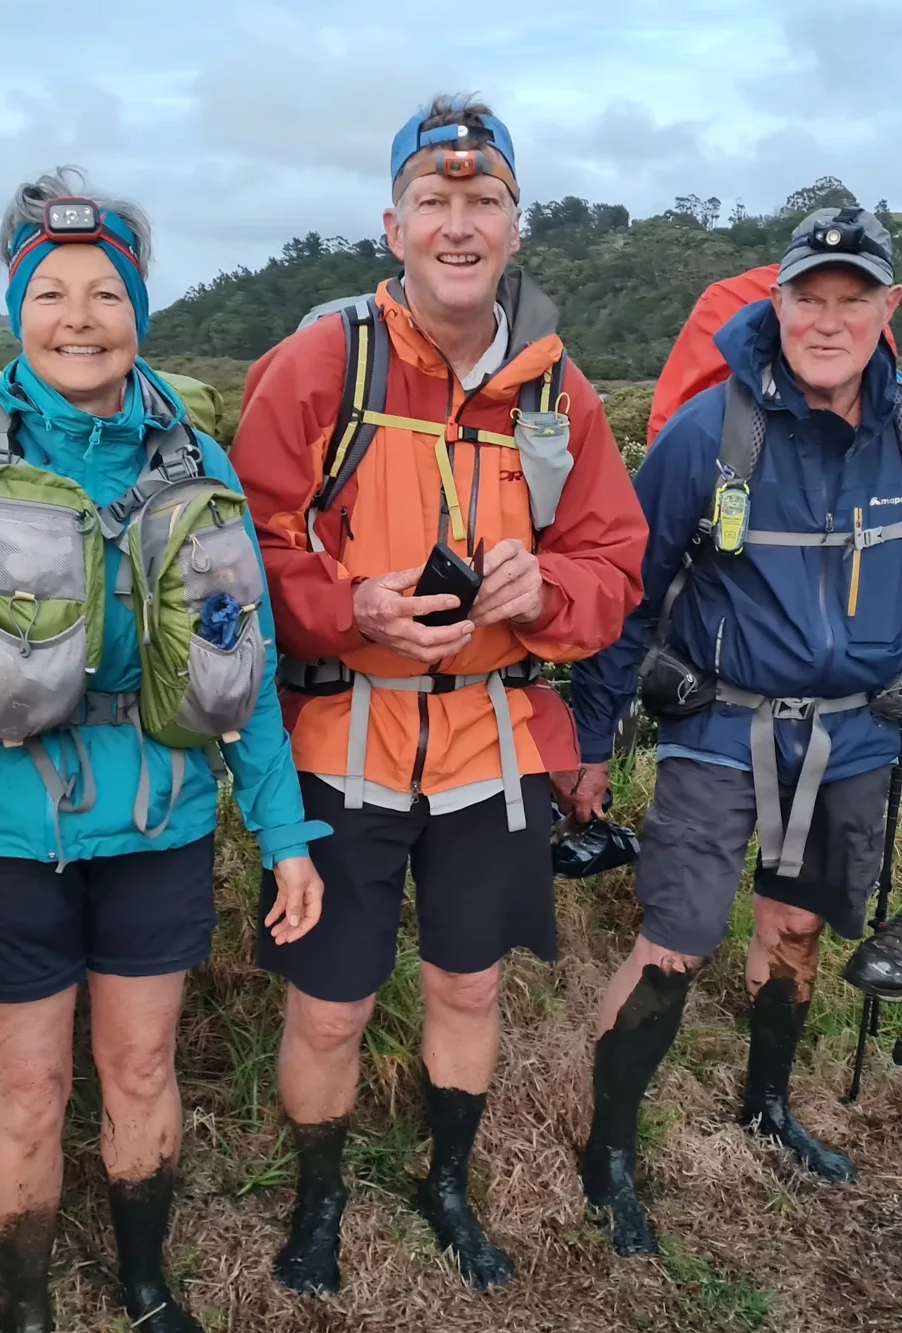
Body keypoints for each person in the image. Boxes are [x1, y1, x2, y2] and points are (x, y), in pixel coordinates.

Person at [0, 167, 330, 1333]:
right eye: (49, 292)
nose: (77, 317)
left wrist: (286, 832)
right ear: (15, 308)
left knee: (143, 1069)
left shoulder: (199, 468)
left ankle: (146, 1289)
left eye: (103, 293)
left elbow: (236, 666)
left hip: (161, 822)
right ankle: (23, 1309)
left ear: (138, 309)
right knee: (27, 1089)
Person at [231, 95, 646, 1295]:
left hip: (494, 740)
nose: (457, 224)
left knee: (468, 984)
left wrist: (542, 590)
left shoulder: (556, 393)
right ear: (392, 225)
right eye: (434, 202)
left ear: (516, 226)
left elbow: (613, 568)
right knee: (328, 1005)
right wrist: (344, 607)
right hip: (339, 739)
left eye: (482, 203)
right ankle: (318, 1203)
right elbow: (239, 558)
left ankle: (445, 1183)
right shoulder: (319, 368)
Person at [563, 207, 902, 1253]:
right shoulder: (704, 434)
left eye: (854, 299)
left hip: (854, 739)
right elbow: (630, 589)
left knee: (796, 930)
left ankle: (766, 1105)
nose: (828, 318)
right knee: (672, 942)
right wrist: (588, 735)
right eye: (810, 296)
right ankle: (608, 1152)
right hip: (719, 728)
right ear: (779, 302)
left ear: (887, 310)